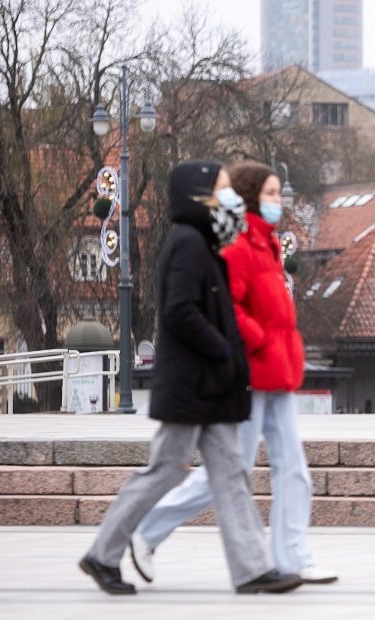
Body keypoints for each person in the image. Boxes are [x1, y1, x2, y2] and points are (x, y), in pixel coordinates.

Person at [78, 160, 302, 595]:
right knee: (163, 471)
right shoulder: (187, 244)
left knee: (231, 473)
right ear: (200, 196)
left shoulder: (205, 242)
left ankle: (253, 569)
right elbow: (179, 311)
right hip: (191, 387)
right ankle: (102, 554)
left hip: (210, 387)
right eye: (222, 189)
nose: (231, 197)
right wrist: (222, 349)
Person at [129, 161, 337, 586]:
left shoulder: (268, 246)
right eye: (273, 193)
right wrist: (259, 341)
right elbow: (229, 309)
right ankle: (146, 531)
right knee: (227, 474)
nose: (282, 201)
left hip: (276, 374)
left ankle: (293, 557)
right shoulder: (239, 246)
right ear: (251, 197)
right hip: (250, 375)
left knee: (293, 469)